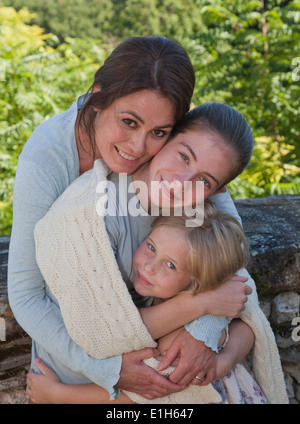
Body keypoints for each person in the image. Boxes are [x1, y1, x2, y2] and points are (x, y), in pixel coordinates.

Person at [27, 103, 288, 403]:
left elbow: (241, 293)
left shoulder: (194, 218)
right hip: (71, 377)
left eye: (204, 180)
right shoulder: (97, 213)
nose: (182, 181)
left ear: (217, 191)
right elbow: (105, 333)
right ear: (166, 138)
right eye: (183, 156)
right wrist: (201, 303)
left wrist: (219, 355)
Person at [27, 202, 268, 404]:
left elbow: (142, 397)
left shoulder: (181, 340)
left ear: (197, 283)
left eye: (171, 265)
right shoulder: (172, 303)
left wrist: (57, 394)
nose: (149, 267)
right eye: (151, 247)